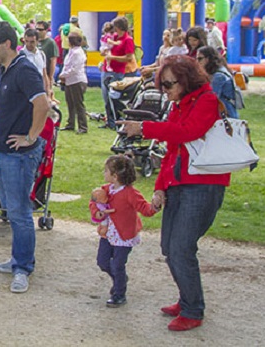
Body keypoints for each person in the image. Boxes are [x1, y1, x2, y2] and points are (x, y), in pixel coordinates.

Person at [119, 55, 229, 332]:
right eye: (162, 84)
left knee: (180, 248)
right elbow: (172, 150)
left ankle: (193, 309)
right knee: (170, 247)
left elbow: (188, 132)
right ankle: (187, 299)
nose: (165, 90)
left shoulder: (206, 101)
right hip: (180, 183)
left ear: (187, 79)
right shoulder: (181, 104)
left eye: (169, 84)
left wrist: (145, 127)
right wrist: (160, 186)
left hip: (204, 184)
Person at [0, 21, 50, 294]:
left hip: (18, 155)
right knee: (12, 210)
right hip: (3, 150)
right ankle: (17, 259)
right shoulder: (5, 68)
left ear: (7, 44)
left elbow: (43, 104)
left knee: (20, 213)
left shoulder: (24, 69)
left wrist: (31, 137)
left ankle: (22, 268)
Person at [89, 155, 158, 308]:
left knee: (118, 264)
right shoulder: (105, 189)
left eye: (106, 171)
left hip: (124, 236)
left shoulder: (130, 193)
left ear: (115, 176)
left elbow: (145, 209)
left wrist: (155, 206)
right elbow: (94, 202)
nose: (104, 173)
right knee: (103, 261)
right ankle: (120, 279)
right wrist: (96, 213)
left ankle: (119, 293)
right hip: (107, 233)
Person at [102, 16, 136, 129]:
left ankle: (118, 119)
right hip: (107, 69)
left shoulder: (128, 40)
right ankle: (109, 120)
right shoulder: (115, 37)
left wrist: (113, 57)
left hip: (117, 71)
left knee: (114, 98)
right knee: (106, 97)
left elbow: (129, 58)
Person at [196, 46, 239, 118]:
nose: (197, 62)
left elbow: (211, 98)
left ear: (208, 59)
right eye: (196, 59)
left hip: (226, 115)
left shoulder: (219, 76)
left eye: (200, 59)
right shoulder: (219, 69)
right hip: (226, 112)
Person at [59, 33, 88, 133]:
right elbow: (66, 65)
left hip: (77, 80)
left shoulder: (78, 53)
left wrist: (64, 75)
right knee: (70, 103)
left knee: (78, 104)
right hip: (69, 81)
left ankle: (83, 126)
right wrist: (63, 75)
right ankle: (70, 123)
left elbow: (74, 69)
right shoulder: (71, 51)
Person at [20, 28, 51, 94]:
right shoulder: (21, 55)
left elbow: (44, 74)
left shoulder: (41, 54)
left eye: (32, 42)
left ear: (37, 41)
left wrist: (47, 91)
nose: (29, 44)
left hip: (39, 89)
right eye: (26, 41)